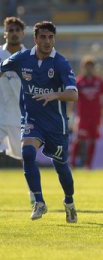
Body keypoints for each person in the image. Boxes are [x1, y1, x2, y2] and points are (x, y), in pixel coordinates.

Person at [0, 21, 78, 223]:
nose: (46, 41)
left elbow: (73, 94)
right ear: (35, 39)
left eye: (50, 37)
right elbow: (2, 68)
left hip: (55, 124)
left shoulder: (60, 62)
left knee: (61, 167)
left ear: (54, 39)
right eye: (42, 37)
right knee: (27, 153)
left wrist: (55, 95)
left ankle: (69, 201)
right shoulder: (21, 58)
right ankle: (39, 201)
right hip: (31, 119)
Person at [0, 17, 35, 205]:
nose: (13, 33)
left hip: (20, 116)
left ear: (22, 33)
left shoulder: (30, 57)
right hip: (0, 112)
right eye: (10, 30)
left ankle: (33, 195)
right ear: (5, 33)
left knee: (26, 157)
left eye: (17, 30)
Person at [70, 55, 103, 169]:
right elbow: (73, 98)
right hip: (83, 116)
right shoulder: (79, 81)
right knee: (79, 139)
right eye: (87, 66)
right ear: (83, 68)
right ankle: (72, 163)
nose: (89, 69)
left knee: (93, 140)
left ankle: (88, 165)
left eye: (91, 66)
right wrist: (72, 113)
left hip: (95, 116)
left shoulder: (99, 81)